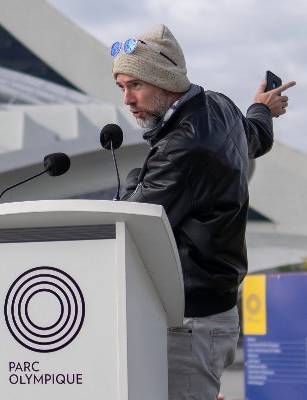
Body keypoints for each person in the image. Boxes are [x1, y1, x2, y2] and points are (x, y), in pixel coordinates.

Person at [110, 24, 296, 399]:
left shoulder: (184, 147)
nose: (127, 99)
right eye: (121, 87)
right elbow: (253, 136)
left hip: (191, 320)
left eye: (135, 85)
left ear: (164, 80)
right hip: (210, 313)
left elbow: (133, 224)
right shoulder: (219, 105)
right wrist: (262, 108)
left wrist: (134, 178)